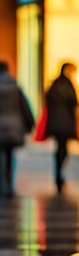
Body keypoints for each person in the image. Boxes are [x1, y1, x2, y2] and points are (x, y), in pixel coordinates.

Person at [0, 61, 34, 197]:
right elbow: (25, 108)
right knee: (10, 155)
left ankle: (0, 184)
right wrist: (29, 125)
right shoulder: (15, 86)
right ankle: (9, 184)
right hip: (14, 126)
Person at [44, 62, 78, 192]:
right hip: (66, 122)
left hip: (55, 122)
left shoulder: (54, 85)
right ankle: (58, 173)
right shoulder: (69, 86)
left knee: (60, 147)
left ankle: (58, 172)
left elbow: (47, 100)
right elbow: (74, 102)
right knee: (63, 149)